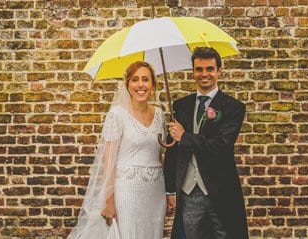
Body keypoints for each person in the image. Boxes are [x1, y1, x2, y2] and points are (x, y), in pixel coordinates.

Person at [68, 61, 168, 238]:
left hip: (155, 192)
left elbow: (159, 155)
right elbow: (109, 161)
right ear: (127, 84)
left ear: (153, 84)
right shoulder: (117, 115)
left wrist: (169, 191)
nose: (140, 85)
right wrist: (109, 201)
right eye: (135, 80)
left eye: (145, 79)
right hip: (127, 192)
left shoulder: (160, 114)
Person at [164, 47, 248, 238]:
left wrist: (185, 137)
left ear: (219, 71)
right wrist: (170, 189)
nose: (204, 74)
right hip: (189, 192)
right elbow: (172, 151)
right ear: (193, 72)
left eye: (209, 69)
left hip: (221, 191)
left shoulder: (233, 108)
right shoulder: (180, 106)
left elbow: (221, 145)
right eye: (199, 69)